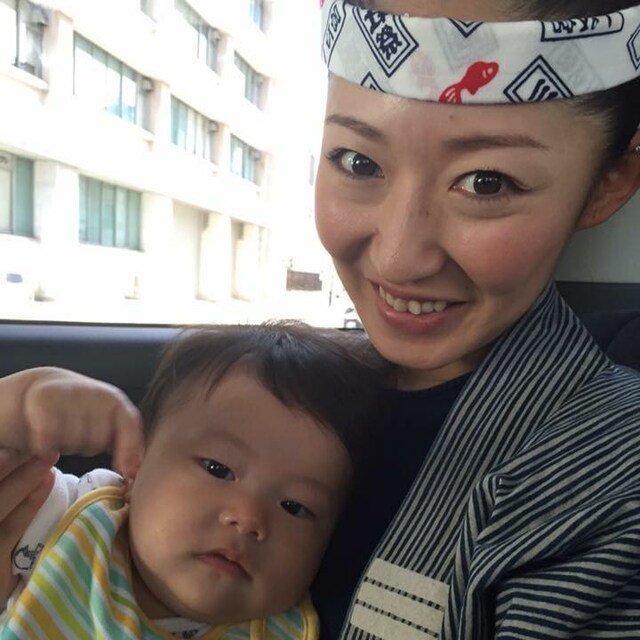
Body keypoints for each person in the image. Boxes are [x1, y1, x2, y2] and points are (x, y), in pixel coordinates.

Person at [308, 0, 640, 638]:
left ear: (607, 184)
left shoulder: (615, 492)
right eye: (358, 162)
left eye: (486, 182)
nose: (399, 257)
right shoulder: (294, 392)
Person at [0, 321, 390, 639]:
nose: (248, 518)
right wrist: (23, 404)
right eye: (218, 469)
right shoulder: (70, 519)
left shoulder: (289, 628)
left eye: (294, 506)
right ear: (135, 465)